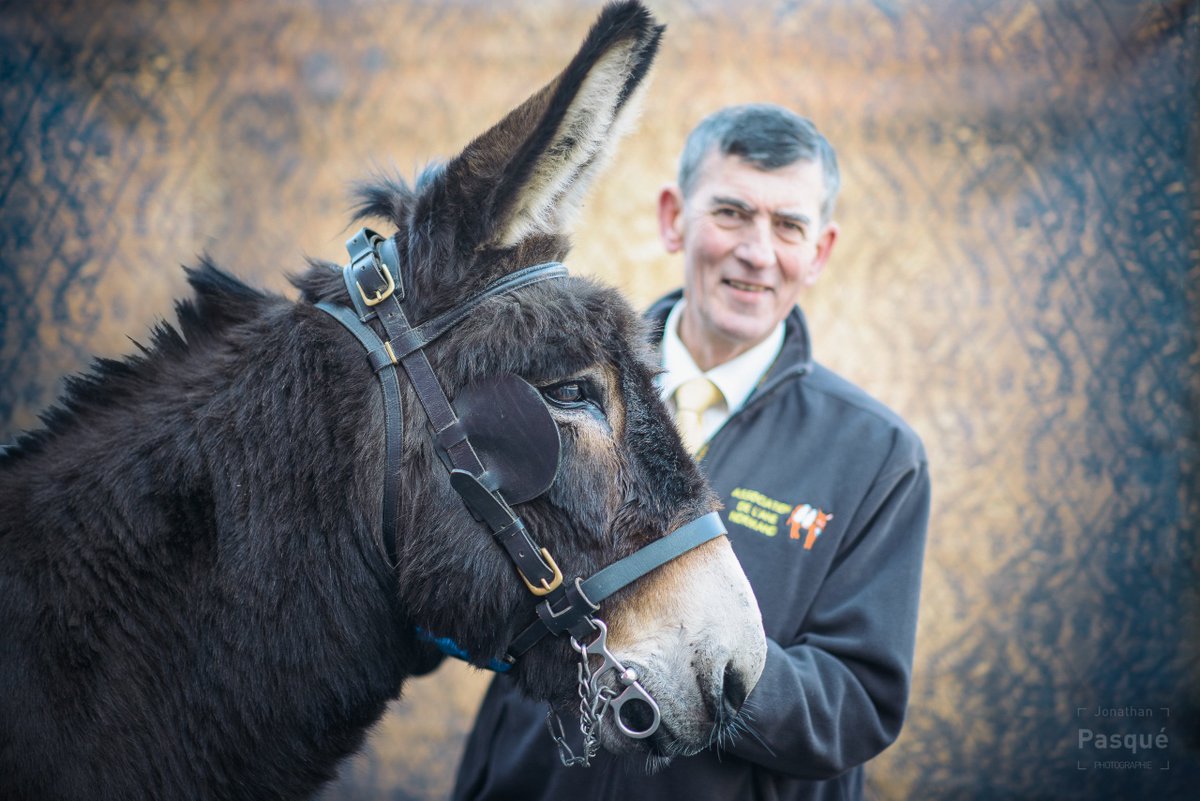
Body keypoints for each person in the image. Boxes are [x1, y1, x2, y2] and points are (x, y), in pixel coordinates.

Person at [452, 103, 930, 801]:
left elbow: (854, 705)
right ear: (675, 217)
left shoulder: (879, 456)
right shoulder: (557, 383)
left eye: (788, 225)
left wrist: (685, 649)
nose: (757, 251)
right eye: (731, 213)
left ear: (820, 251)